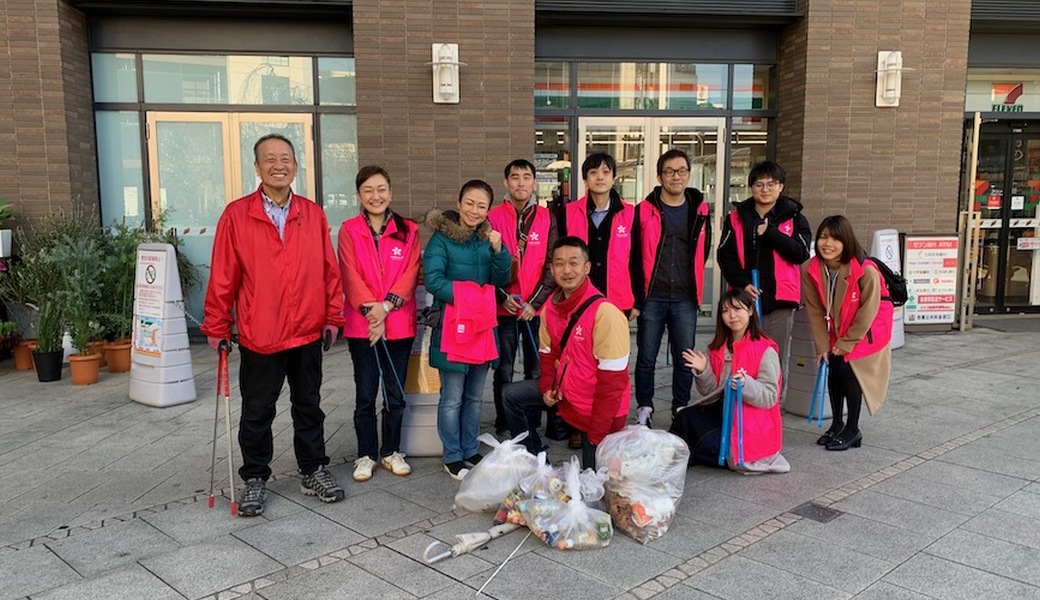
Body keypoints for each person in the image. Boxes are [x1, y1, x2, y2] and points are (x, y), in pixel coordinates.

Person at [201, 134, 346, 517]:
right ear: (257, 167)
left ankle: (313, 468)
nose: (278, 165)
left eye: (285, 158)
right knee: (257, 410)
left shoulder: (312, 214)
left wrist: (333, 317)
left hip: (306, 331)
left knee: (309, 406)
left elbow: (329, 272)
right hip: (260, 334)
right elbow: (223, 277)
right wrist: (217, 326)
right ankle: (254, 477)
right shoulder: (237, 215)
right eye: (270, 159)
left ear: (296, 166)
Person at [502, 236, 631, 469]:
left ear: (587, 268)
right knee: (511, 395)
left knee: (597, 489)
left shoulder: (606, 313)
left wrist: (598, 432)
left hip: (598, 410)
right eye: (559, 263)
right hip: (567, 394)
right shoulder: (550, 307)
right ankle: (536, 458)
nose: (567, 270)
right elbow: (548, 355)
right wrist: (547, 389)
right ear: (551, 269)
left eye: (574, 263)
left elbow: (613, 382)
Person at [424, 180, 512, 479]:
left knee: (475, 396)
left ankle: (469, 448)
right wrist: (473, 298)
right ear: (459, 203)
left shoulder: (488, 239)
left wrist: (500, 251)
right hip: (452, 325)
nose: (475, 210)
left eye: (482, 205)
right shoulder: (441, 238)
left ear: (489, 209)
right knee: (452, 396)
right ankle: (452, 455)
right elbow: (433, 280)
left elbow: (501, 279)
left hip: (482, 327)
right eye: (470, 203)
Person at [338, 166, 420, 482]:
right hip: (362, 327)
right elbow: (349, 273)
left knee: (395, 394)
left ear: (391, 192)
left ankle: (391, 452)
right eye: (369, 190)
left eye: (382, 188)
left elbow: (410, 274)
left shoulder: (408, 230)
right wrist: (372, 313)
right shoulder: (349, 230)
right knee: (365, 394)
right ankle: (366, 454)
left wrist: (385, 308)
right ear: (359, 195)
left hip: (398, 324)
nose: (376, 196)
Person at [717, 161, 811, 403]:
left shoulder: (794, 217)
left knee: (773, 356)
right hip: (745, 299)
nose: (765, 189)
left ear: (781, 187)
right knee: (740, 352)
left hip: (779, 300)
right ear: (751, 187)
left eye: (771, 184)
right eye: (759, 184)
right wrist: (742, 283)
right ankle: (738, 402)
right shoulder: (737, 217)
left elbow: (800, 253)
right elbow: (724, 255)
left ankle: (771, 406)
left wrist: (770, 233)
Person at [630, 149, 711, 428]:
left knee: (684, 357)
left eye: (681, 171)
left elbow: (704, 248)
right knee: (646, 357)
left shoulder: (700, 208)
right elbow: (634, 254)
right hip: (653, 296)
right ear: (659, 176)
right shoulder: (643, 209)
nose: (676, 176)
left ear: (688, 174)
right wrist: (638, 297)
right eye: (669, 171)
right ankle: (644, 407)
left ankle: (680, 406)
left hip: (685, 298)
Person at [671, 289, 790, 473]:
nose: (732, 316)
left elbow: (770, 396)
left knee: (710, 445)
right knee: (684, 418)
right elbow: (711, 392)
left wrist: (746, 385)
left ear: (750, 311)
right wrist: (704, 370)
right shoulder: (718, 346)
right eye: (726, 311)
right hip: (723, 413)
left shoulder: (765, 350)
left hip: (749, 422)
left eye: (737, 309)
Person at [801, 215, 893, 451]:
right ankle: (837, 424)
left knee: (848, 368)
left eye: (835, 239)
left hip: (870, 325)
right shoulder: (810, 269)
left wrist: (849, 341)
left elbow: (869, 309)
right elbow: (814, 310)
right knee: (833, 365)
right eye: (823, 237)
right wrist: (822, 346)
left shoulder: (865, 269)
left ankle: (852, 428)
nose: (827, 244)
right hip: (839, 322)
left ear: (846, 241)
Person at [486, 159, 557, 439]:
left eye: (526, 177)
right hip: (504, 309)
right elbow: (484, 263)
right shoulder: (492, 216)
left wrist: (535, 303)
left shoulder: (546, 217)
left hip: (535, 310)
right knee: (503, 370)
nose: (520, 183)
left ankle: (531, 424)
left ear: (534, 182)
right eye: (514, 177)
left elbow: (552, 263)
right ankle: (504, 423)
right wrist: (502, 296)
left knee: (536, 369)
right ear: (506, 183)